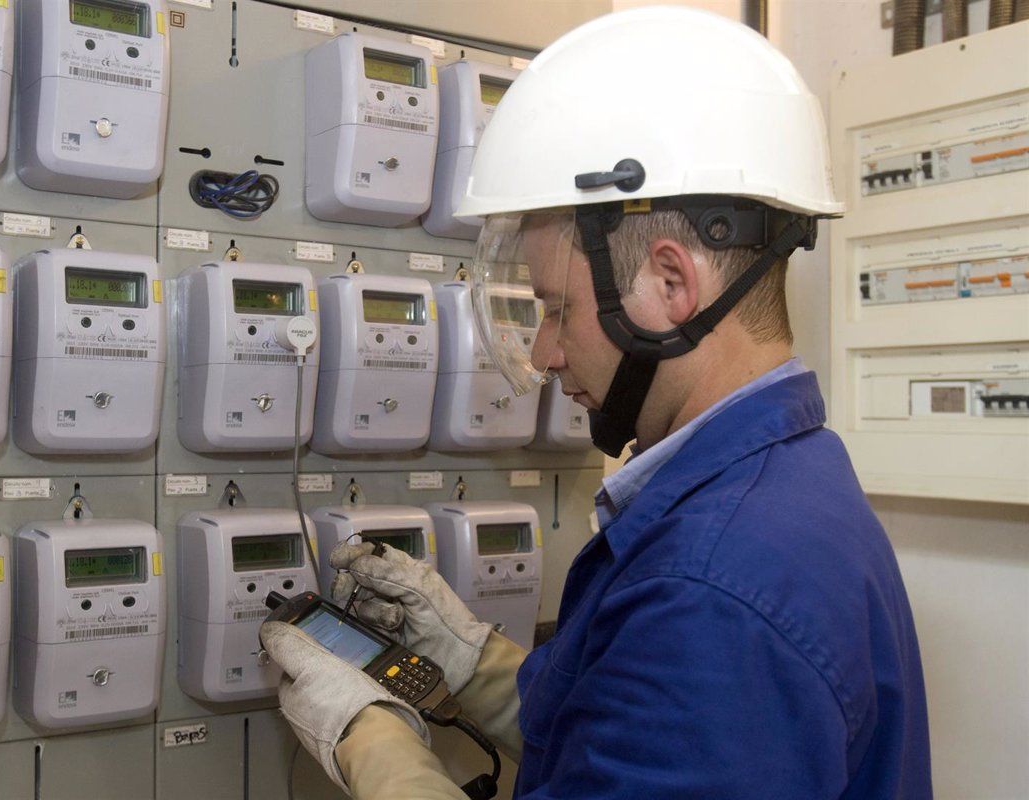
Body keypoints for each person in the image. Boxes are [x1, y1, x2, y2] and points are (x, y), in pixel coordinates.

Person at [260, 7, 933, 798]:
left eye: (556, 309)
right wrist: (471, 659)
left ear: (672, 284)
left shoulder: (713, 594)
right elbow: (620, 728)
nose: (545, 355)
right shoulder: (788, 483)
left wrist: (371, 744)